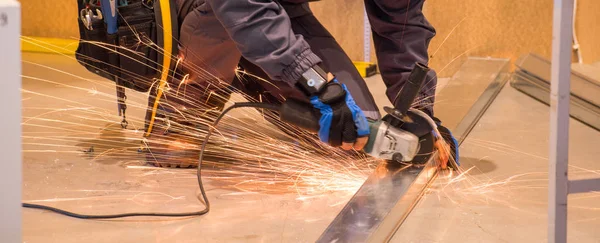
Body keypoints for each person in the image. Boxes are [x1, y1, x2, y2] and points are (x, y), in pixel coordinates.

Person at [142, 0, 458, 168]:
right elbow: (242, 7)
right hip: (204, 7)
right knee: (223, 16)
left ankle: (251, 69)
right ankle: (180, 117)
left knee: (355, 136)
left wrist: (418, 108)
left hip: (279, 11)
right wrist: (316, 83)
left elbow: (400, 23)